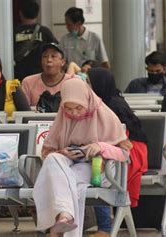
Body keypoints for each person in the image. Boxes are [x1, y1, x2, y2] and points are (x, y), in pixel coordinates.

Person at [34, 78, 128, 237]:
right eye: (68, 109)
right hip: (69, 166)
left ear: (88, 100)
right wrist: (63, 152)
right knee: (52, 160)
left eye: (78, 108)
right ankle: (65, 215)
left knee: (67, 182)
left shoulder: (105, 116)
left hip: (98, 169)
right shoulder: (63, 118)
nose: (74, 113)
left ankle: (61, 218)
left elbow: (124, 153)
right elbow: (48, 151)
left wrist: (101, 147)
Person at [89, 68, 148, 237]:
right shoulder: (104, 101)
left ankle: (104, 228)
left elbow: (122, 139)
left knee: (96, 173)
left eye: (89, 83)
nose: (87, 87)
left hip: (130, 151)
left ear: (99, 85)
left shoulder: (114, 105)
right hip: (113, 148)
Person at [14, 0, 58, 80]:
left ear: (20, 13)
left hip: (19, 76)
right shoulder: (45, 32)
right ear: (37, 14)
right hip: (41, 76)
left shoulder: (13, 32)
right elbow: (56, 50)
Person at [21, 43, 73, 107]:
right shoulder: (28, 82)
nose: (49, 60)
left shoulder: (73, 81)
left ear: (63, 62)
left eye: (53, 56)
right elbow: (24, 112)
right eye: (45, 56)